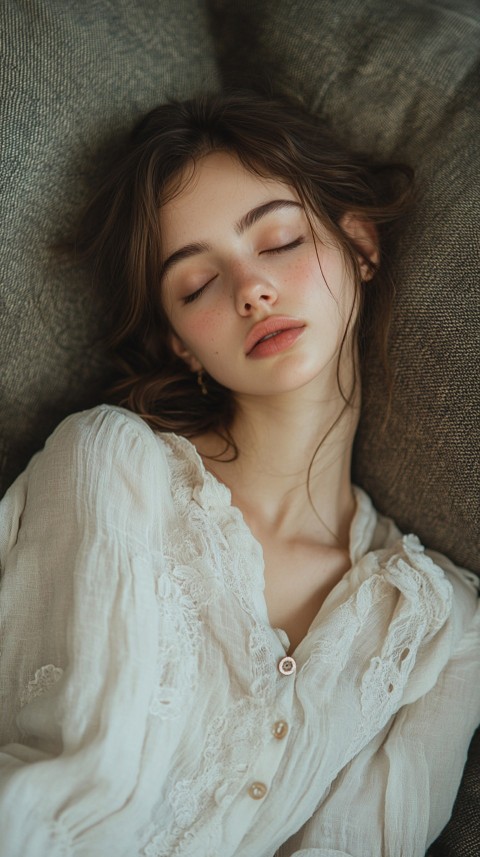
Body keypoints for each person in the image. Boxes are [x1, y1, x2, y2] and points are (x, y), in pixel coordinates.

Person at [0, 91, 478, 857]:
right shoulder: (111, 466)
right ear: (181, 343)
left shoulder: (436, 625)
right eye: (196, 286)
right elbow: (72, 790)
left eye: (280, 240)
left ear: (360, 245)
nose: (251, 289)